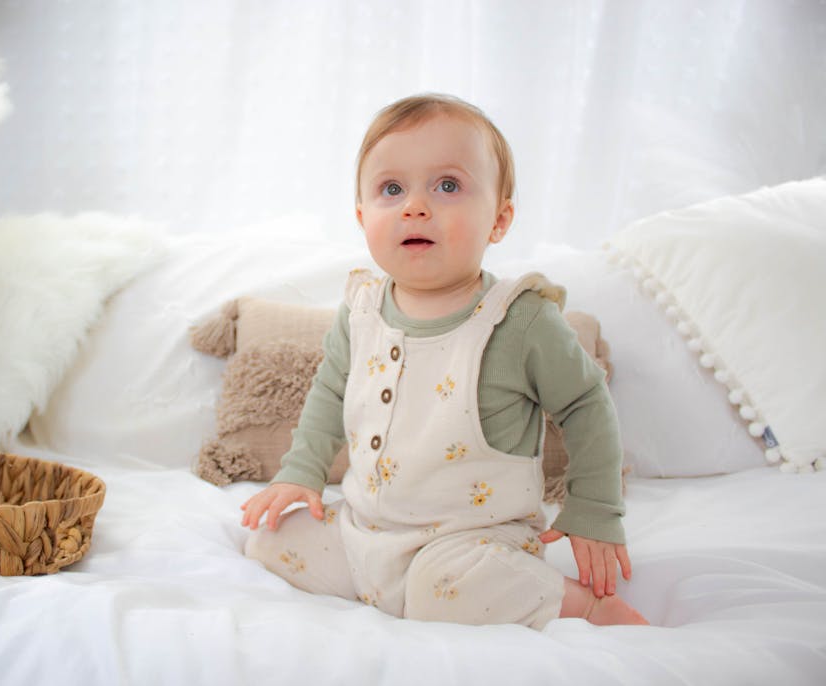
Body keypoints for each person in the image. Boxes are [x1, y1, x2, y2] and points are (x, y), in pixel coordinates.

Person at [240, 94, 648, 628]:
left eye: (448, 186)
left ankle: (583, 604)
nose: (415, 206)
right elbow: (330, 393)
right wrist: (301, 473)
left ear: (499, 220)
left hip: (472, 540)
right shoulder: (362, 309)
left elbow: (587, 404)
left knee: (446, 589)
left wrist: (595, 509)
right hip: (366, 529)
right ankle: (387, 587)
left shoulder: (517, 319)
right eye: (392, 189)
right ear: (363, 216)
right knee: (269, 541)